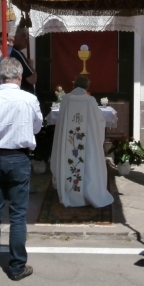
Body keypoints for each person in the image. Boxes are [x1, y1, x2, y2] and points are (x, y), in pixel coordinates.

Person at [0, 58, 42, 281]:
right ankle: (16, 266)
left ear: (1, 77)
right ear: (19, 77)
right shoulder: (29, 99)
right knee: (17, 215)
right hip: (19, 158)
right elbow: (37, 126)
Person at [51, 75, 113, 208]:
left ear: (74, 85)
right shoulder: (90, 100)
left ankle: (70, 193)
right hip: (87, 142)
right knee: (88, 162)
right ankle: (87, 193)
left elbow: (61, 123)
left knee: (71, 160)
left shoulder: (66, 99)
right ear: (87, 86)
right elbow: (99, 121)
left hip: (70, 141)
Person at [9, 27, 37, 95]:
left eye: (27, 37)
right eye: (24, 36)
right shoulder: (17, 53)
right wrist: (30, 65)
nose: (27, 40)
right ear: (15, 37)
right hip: (23, 94)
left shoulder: (10, 51)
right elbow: (32, 79)